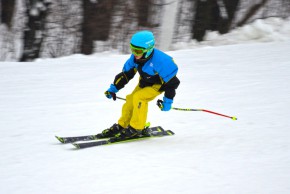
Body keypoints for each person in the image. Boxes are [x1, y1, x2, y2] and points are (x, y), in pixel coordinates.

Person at [97, 30, 180, 139]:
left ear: (148, 50)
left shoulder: (162, 61)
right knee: (130, 100)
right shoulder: (135, 58)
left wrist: (167, 102)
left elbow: (172, 83)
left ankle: (137, 128)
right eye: (132, 49)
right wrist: (113, 89)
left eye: (137, 51)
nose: (134, 54)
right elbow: (125, 75)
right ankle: (122, 125)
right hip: (144, 83)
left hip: (158, 86)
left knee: (139, 98)